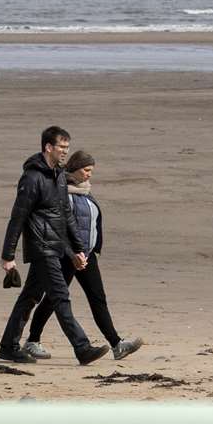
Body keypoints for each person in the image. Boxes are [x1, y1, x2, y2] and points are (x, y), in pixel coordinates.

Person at [0, 126, 111, 366]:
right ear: (48, 147)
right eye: (61, 147)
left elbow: (66, 215)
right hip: (42, 247)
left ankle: (8, 346)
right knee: (61, 296)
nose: (64, 152)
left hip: (57, 246)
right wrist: (8, 256)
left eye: (67, 148)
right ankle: (82, 348)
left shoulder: (59, 176)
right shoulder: (32, 178)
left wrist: (77, 249)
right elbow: (17, 217)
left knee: (29, 297)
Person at [22, 150, 145, 363]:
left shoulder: (86, 192)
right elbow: (59, 228)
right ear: (74, 168)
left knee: (98, 298)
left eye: (91, 171)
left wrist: (92, 248)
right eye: (86, 170)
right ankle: (32, 341)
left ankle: (117, 345)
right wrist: (71, 253)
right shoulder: (62, 192)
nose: (89, 174)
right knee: (53, 299)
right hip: (65, 256)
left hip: (87, 255)